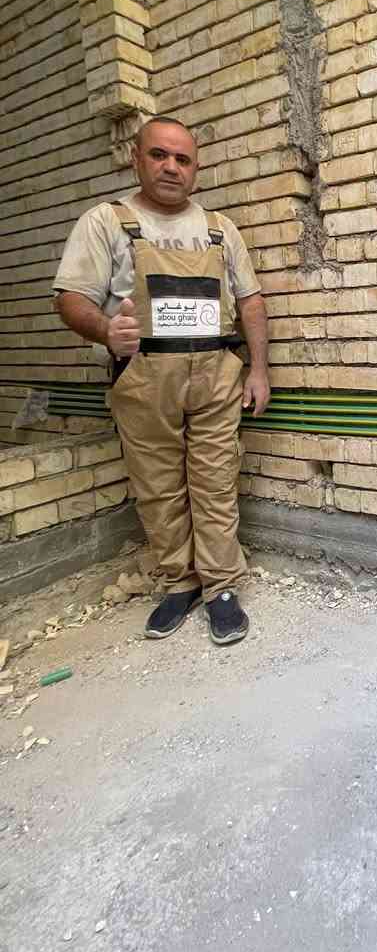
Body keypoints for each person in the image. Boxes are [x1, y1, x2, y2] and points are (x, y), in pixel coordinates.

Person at [53, 117, 270, 645]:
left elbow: (250, 301)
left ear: (195, 168)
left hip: (216, 373)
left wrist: (260, 369)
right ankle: (179, 582)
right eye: (159, 155)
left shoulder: (220, 229)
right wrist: (106, 330)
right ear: (137, 158)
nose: (171, 167)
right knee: (157, 485)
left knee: (216, 482)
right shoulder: (107, 222)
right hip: (144, 376)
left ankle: (220, 586)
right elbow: (70, 298)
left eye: (182, 159)